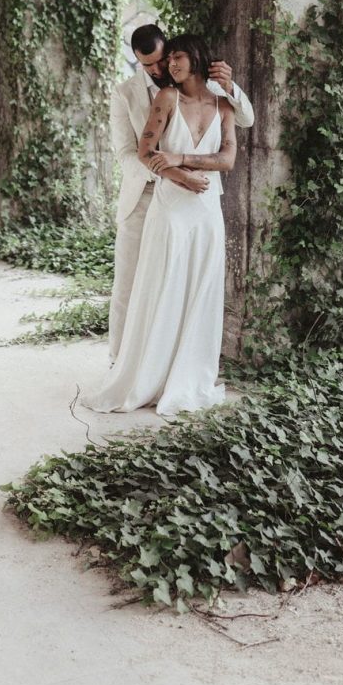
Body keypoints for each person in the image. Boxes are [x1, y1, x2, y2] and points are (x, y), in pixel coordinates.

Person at [86, 34, 237, 414]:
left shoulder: (224, 102)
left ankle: (186, 374)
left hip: (206, 211)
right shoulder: (165, 98)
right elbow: (142, 151)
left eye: (177, 57)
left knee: (200, 289)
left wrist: (183, 158)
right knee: (158, 285)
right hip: (169, 204)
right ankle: (139, 369)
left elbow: (229, 159)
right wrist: (181, 176)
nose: (169, 65)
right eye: (166, 60)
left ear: (198, 57)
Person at [107, 23, 254, 362]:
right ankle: (120, 361)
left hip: (192, 200)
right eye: (149, 66)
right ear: (137, 61)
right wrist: (171, 173)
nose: (159, 70)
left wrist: (230, 86)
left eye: (162, 60)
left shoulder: (205, 89)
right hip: (144, 195)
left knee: (177, 285)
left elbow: (245, 119)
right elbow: (127, 153)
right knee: (129, 286)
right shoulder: (125, 93)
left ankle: (166, 363)